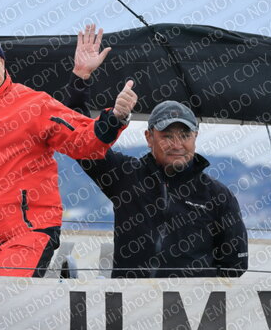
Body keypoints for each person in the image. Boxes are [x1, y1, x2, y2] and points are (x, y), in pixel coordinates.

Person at [0, 28, 136, 277]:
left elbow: (84, 142)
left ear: (1, 61)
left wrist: (116, 117)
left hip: (27, 234)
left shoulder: (34, 105)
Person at [68, 24, 248, 278]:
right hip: (130, 300)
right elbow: (79, 140)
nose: (177, 144)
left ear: (195, 137)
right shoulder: (125, 176)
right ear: (149, 137)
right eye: (166, 135)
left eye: (185, 135)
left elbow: (234, 266)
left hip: (191, 302)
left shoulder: (218, 196)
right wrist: (81, 77)